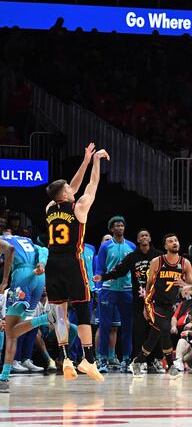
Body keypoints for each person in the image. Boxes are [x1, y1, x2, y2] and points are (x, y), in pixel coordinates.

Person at [43, 143, 108, 382]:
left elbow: (72, 185)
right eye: (69, 189)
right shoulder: (79, 207)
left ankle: (65, 358)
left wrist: (85, 159)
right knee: (82, 309)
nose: (73, 188)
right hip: (72, 262)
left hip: (53, 263)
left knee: (60, 313)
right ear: (66, 195)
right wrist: (96, 162)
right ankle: (88, 360)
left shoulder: (50, 208)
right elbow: (91, 185)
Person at [95, 229, 163, 367]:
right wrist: (103, 277)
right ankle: (138, 361)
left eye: (146, 235)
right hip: (137, 297)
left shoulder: (159, 256)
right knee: (137, 330)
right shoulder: (133, 256)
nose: (144, 237)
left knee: (156, 328)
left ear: (150, 239)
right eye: (141, 236)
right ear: (138, 240)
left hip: (154, 297)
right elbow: (119, 270)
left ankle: (156, 359)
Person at [129, 234, 192, 378]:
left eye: (176, 240)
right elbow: (149, 284)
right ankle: (171, 366)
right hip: (153, 303)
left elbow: (191, 285)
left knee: (154, 336)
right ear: (165, 246)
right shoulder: (157, 261)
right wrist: (146, 306)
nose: (174, 243)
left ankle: (137, 362)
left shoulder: (185, 263)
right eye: (170, 241)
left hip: (169, 306)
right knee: (165, 329)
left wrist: (189, 286)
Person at [0, 235, 48, 392]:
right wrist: (42, 264)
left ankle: (45, 318)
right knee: (14, 331)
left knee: (10, 331)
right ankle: (3, 378)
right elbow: (43, 249)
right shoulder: (25, 238)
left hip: (22, 277)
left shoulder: (3, 239)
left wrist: (5, 280)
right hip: (38, 278)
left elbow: (10, 249)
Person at [95, 215, 136, 372]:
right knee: (105, 326)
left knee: (128, 326)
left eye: (122, 225)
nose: (120, 228)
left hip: (126, 291)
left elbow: (135, 271)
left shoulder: (131, 246)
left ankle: (126, 360)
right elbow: (99, 269)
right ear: (111, 229)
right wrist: (98, 288)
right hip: (108, 289)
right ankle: (103, 360)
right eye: (117, 226)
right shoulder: (105, 246)